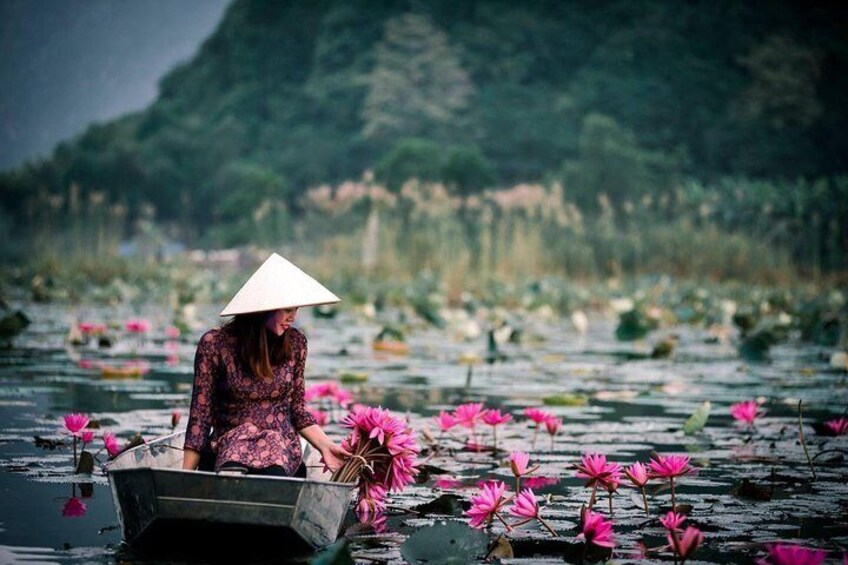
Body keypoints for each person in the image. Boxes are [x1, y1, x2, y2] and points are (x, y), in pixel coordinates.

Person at [182, 253, 349, 477]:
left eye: (296, 310)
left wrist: (326, 447)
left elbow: (297, 410)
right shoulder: (215, 344)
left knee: (273, 445)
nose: (293, 317)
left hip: (281, 452)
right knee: (238, 444)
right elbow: (200, 416)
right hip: (227, 450)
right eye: (288, 310)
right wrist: (185, 477)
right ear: (263, 310)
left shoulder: (296, 344)